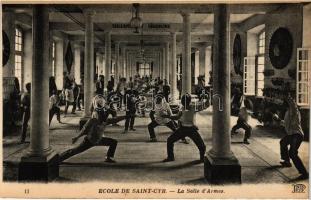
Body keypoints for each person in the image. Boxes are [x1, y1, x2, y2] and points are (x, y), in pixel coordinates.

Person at [59, 110, 126, 163]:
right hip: (89, 141)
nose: (104, 119)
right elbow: (84, 130)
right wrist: (77, 137)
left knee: (113, 142)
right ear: (99, 116)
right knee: (75, 151)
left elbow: (117, 119)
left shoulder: (106, 121)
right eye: (103, 117)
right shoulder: (92, 121)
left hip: (99, 140)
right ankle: (59, 158)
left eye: (105, 117)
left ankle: (108, 157)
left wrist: (127, 116)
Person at [163, 94, 206, 162]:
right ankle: (170, 157)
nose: (183, 103)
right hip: (184, 129)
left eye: (184, 101)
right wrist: (167, 116)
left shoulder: (193, 107)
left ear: (188, 101)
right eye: (183, 101)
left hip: (190, 129)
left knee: (202, 146)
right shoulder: (183, 108)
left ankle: (202, 159)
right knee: (170, 140)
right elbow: (177, 117)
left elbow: (204, 106)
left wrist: (207, 98)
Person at [274, 96, 309, 179]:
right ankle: (286, 161)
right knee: (283, 142)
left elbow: (293, 104)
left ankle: (304, 173)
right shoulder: (287, 112)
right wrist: (278, 119)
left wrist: (288, 96)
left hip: (297, 134)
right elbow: (286, 124)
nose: (282, 105)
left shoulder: (294, 110)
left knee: (292, 153)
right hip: (291, 134)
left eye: (283, 103)